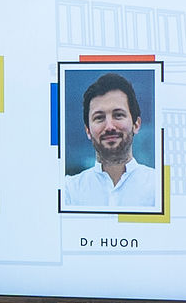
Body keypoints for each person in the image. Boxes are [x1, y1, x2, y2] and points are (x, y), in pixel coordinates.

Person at [60, 70, 163, 212]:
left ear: (136, 124)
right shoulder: (68, 191)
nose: (109, 126)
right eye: (99, 118)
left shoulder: (159, 186)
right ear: (88, 130)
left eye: (118, 115)